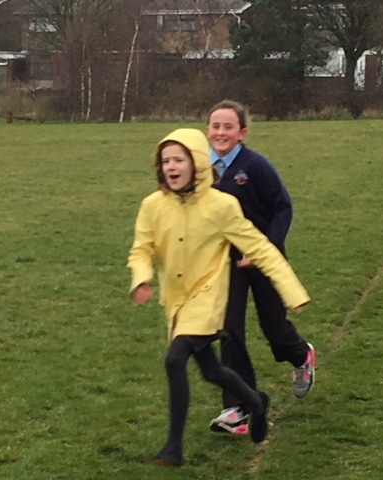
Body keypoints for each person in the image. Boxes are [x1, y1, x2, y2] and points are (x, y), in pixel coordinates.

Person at [127, 127, 310, 467]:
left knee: (174, 360)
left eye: (179, 159)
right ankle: (255, 402)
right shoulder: (152, 205)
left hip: (209, 297)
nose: (171, 166)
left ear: (196, 163)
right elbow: (141, 249)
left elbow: (260, 248)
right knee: (210, 369)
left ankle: (172, 447)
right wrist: (142, 278)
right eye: (165, 160)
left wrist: (291, 290)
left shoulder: (222, 205)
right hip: (177, 300)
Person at [207, 99, 317, 436]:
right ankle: (237, 407)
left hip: (264, 256)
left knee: (274, 328)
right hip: (227, 261)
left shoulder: (255, 166)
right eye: (215, 126)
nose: (221, 132)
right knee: (229, 330)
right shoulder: (202, 170)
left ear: (242, 132)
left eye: (228, 127)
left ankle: (301, 357)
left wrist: (267, 246)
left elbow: (283, 207)